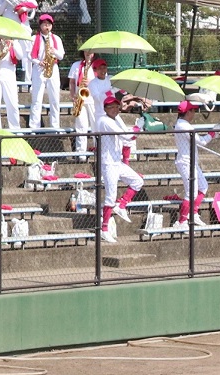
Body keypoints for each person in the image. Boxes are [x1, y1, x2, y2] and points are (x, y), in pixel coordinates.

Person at [95, 91, 143, 244]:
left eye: (117, 106)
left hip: (117, 162)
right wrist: (137, 129)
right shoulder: (104, 120)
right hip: (108, 163)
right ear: (106, 108)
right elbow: (126, 136)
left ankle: (121, 205)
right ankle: (104, 230)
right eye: (112, 107)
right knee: (110, 197)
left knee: (137, 181)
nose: (115, 109)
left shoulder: (116, 118)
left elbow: (127, 135)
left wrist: (139, 124)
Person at [172, 98, 216, 228]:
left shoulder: (184, 124)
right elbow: (201, 141)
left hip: (192, 162)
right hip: (185, 162)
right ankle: (181, 222)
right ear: (188, 112)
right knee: (191, 192)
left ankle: (193, 213)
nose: (194, 113)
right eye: (193, 111)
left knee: (203, 187)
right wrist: (213, 133)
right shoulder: (183, 125)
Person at [27, 14, 64, 129]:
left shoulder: (56, 39)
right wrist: (38, 62)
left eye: (48, 24)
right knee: (37, 99)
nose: (46, 26)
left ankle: (55, 126)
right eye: (44, 24)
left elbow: (61, 55)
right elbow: (29, 55)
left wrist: (54, 51)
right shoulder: (34, 38)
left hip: (53, 68)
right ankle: (34, 126)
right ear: (40, 25)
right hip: (39, 69)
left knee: (55, 99)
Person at [68, 50, 95, 153]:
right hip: (80, 99)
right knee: (81, 126)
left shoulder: (97, 66)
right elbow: (72, 82)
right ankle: (81, 153)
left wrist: (90, 83)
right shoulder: (76, 65)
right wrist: (72, 95)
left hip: (93, 100)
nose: (88, 53)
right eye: (86, 51)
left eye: (91, 51)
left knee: (95, 126)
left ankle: (99, 150)